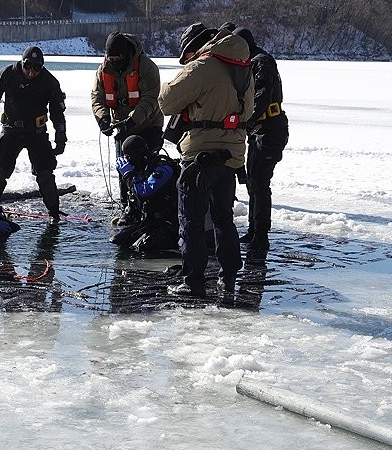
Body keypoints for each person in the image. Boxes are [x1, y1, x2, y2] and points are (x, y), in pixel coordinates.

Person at [158, 22, 253, 298]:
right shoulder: (242, 65)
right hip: (232, 155)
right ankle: (229, 276)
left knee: (191, 220)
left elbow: (166, 102)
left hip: (199, 155)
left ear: (194, 47)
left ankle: (194, 282)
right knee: (224, 219)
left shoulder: (202, 67)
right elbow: (248, 110)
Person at [0, 46, 66, 220]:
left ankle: (54, 213)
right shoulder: (8, 73)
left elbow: (57, 112)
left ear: (42, 67)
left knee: (45, 174)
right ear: (22, 62)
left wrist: (60, 136)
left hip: (36, 132)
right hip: (12, 130)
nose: (31, 72)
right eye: (28, 66)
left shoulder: (49, 81)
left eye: (36, 68)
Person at [91, 32, 163, 220]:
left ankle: (153, 209)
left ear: (126, 55)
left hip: (148, 125)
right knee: (124, 168)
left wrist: (132, 121)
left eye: (118, 58)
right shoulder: (103, 70)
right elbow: (97, 97)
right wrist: (103, 119)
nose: (114, 61)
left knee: (147, 168)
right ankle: (128, 207)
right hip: (122, 127)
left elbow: (151, 98)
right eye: (111, 58)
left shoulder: (147, 67)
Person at [234, 27, 289, 257]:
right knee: (253, 182)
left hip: (270, 129)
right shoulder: (253, 62)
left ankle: (261, 236)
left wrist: (247, 122)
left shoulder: (261, 62)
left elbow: (262, 96)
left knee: (259, 182)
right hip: (260, 129)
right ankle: (254, 230)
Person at [111, 135, 180, 252]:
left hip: (169, 224)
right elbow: (135, 198)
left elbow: (144, 193)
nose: (129, 161)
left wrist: (128, 175)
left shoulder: (163, 168)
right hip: (151, 222)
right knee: (118, 240)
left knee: (144, 246)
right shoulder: (141, 169)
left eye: (130, 157)